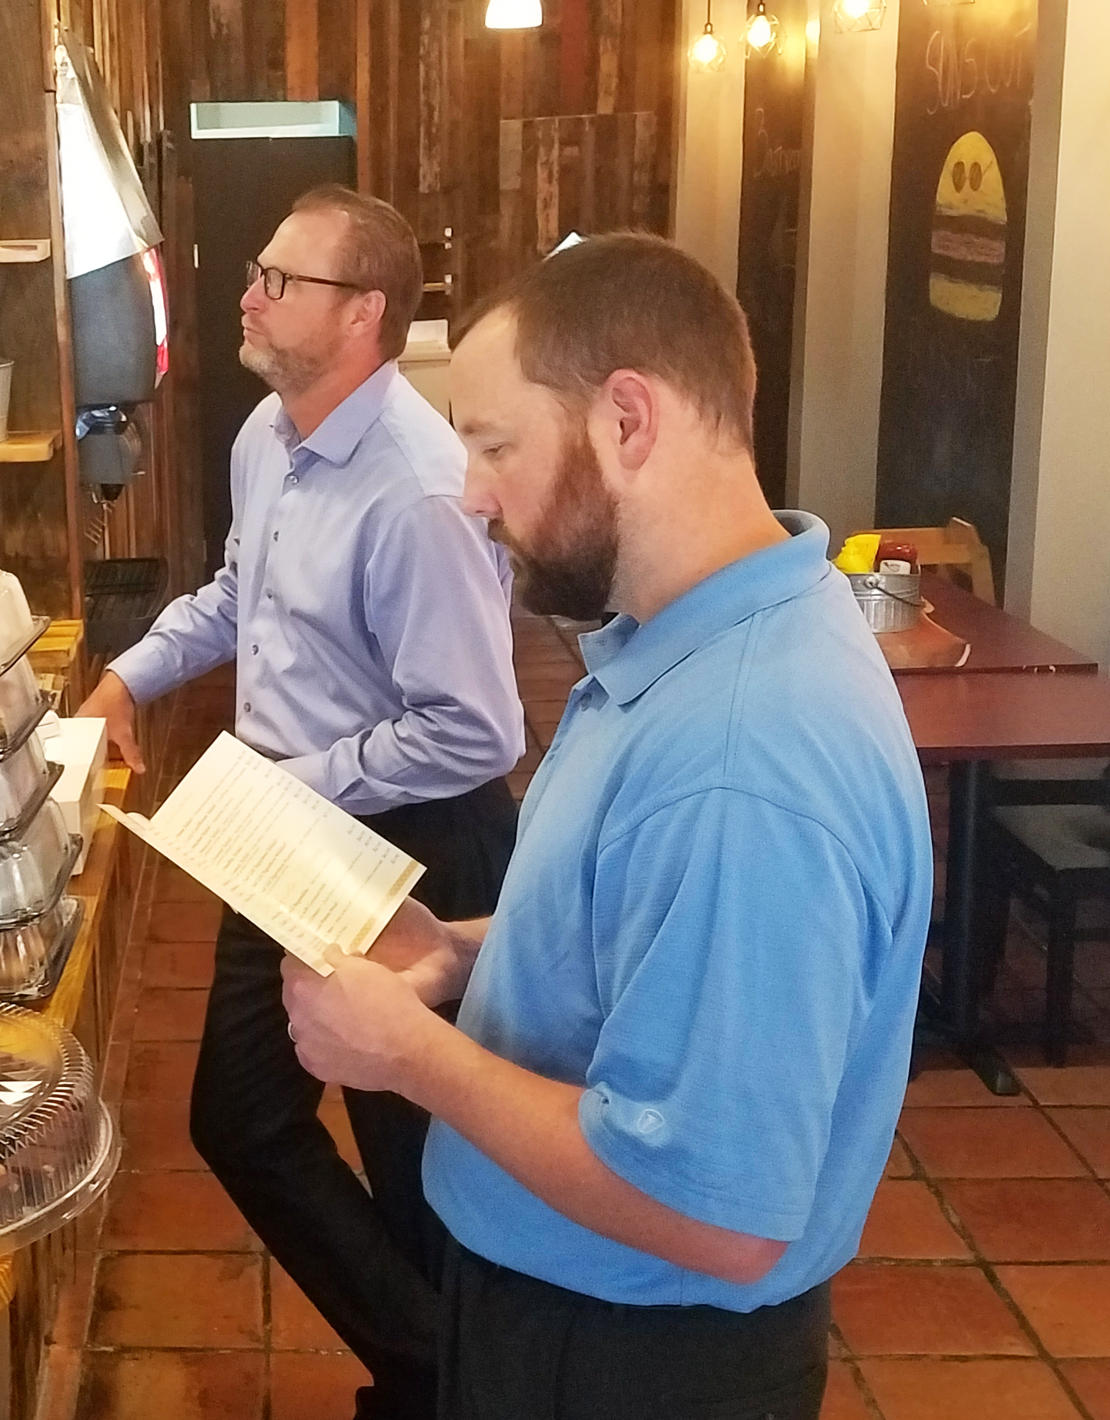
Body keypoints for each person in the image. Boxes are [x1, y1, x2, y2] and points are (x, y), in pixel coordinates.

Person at [281, 232, 932, 1420]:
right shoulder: (696, 637)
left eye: (491, 444)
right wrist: (463, 949)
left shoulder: (742, 759)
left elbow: (715, 1211)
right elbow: (637, 923)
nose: (470, 493)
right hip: (572, 1309)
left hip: (634, 1354)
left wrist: (406, 1057)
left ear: (627, 420)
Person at [78, 186, 525, 1419]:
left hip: (412, 841)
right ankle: (437, 1372)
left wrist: (292, 790)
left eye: (282, 278)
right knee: (239, 1115)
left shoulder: (417, 490)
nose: (250, 292)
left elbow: (478, 728)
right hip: (291, 822)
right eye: (257, 271)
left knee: (411, 1152)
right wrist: (129, 674)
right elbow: (237, 594)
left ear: (364, 313)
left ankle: (439, 1385)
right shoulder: (266, 435)